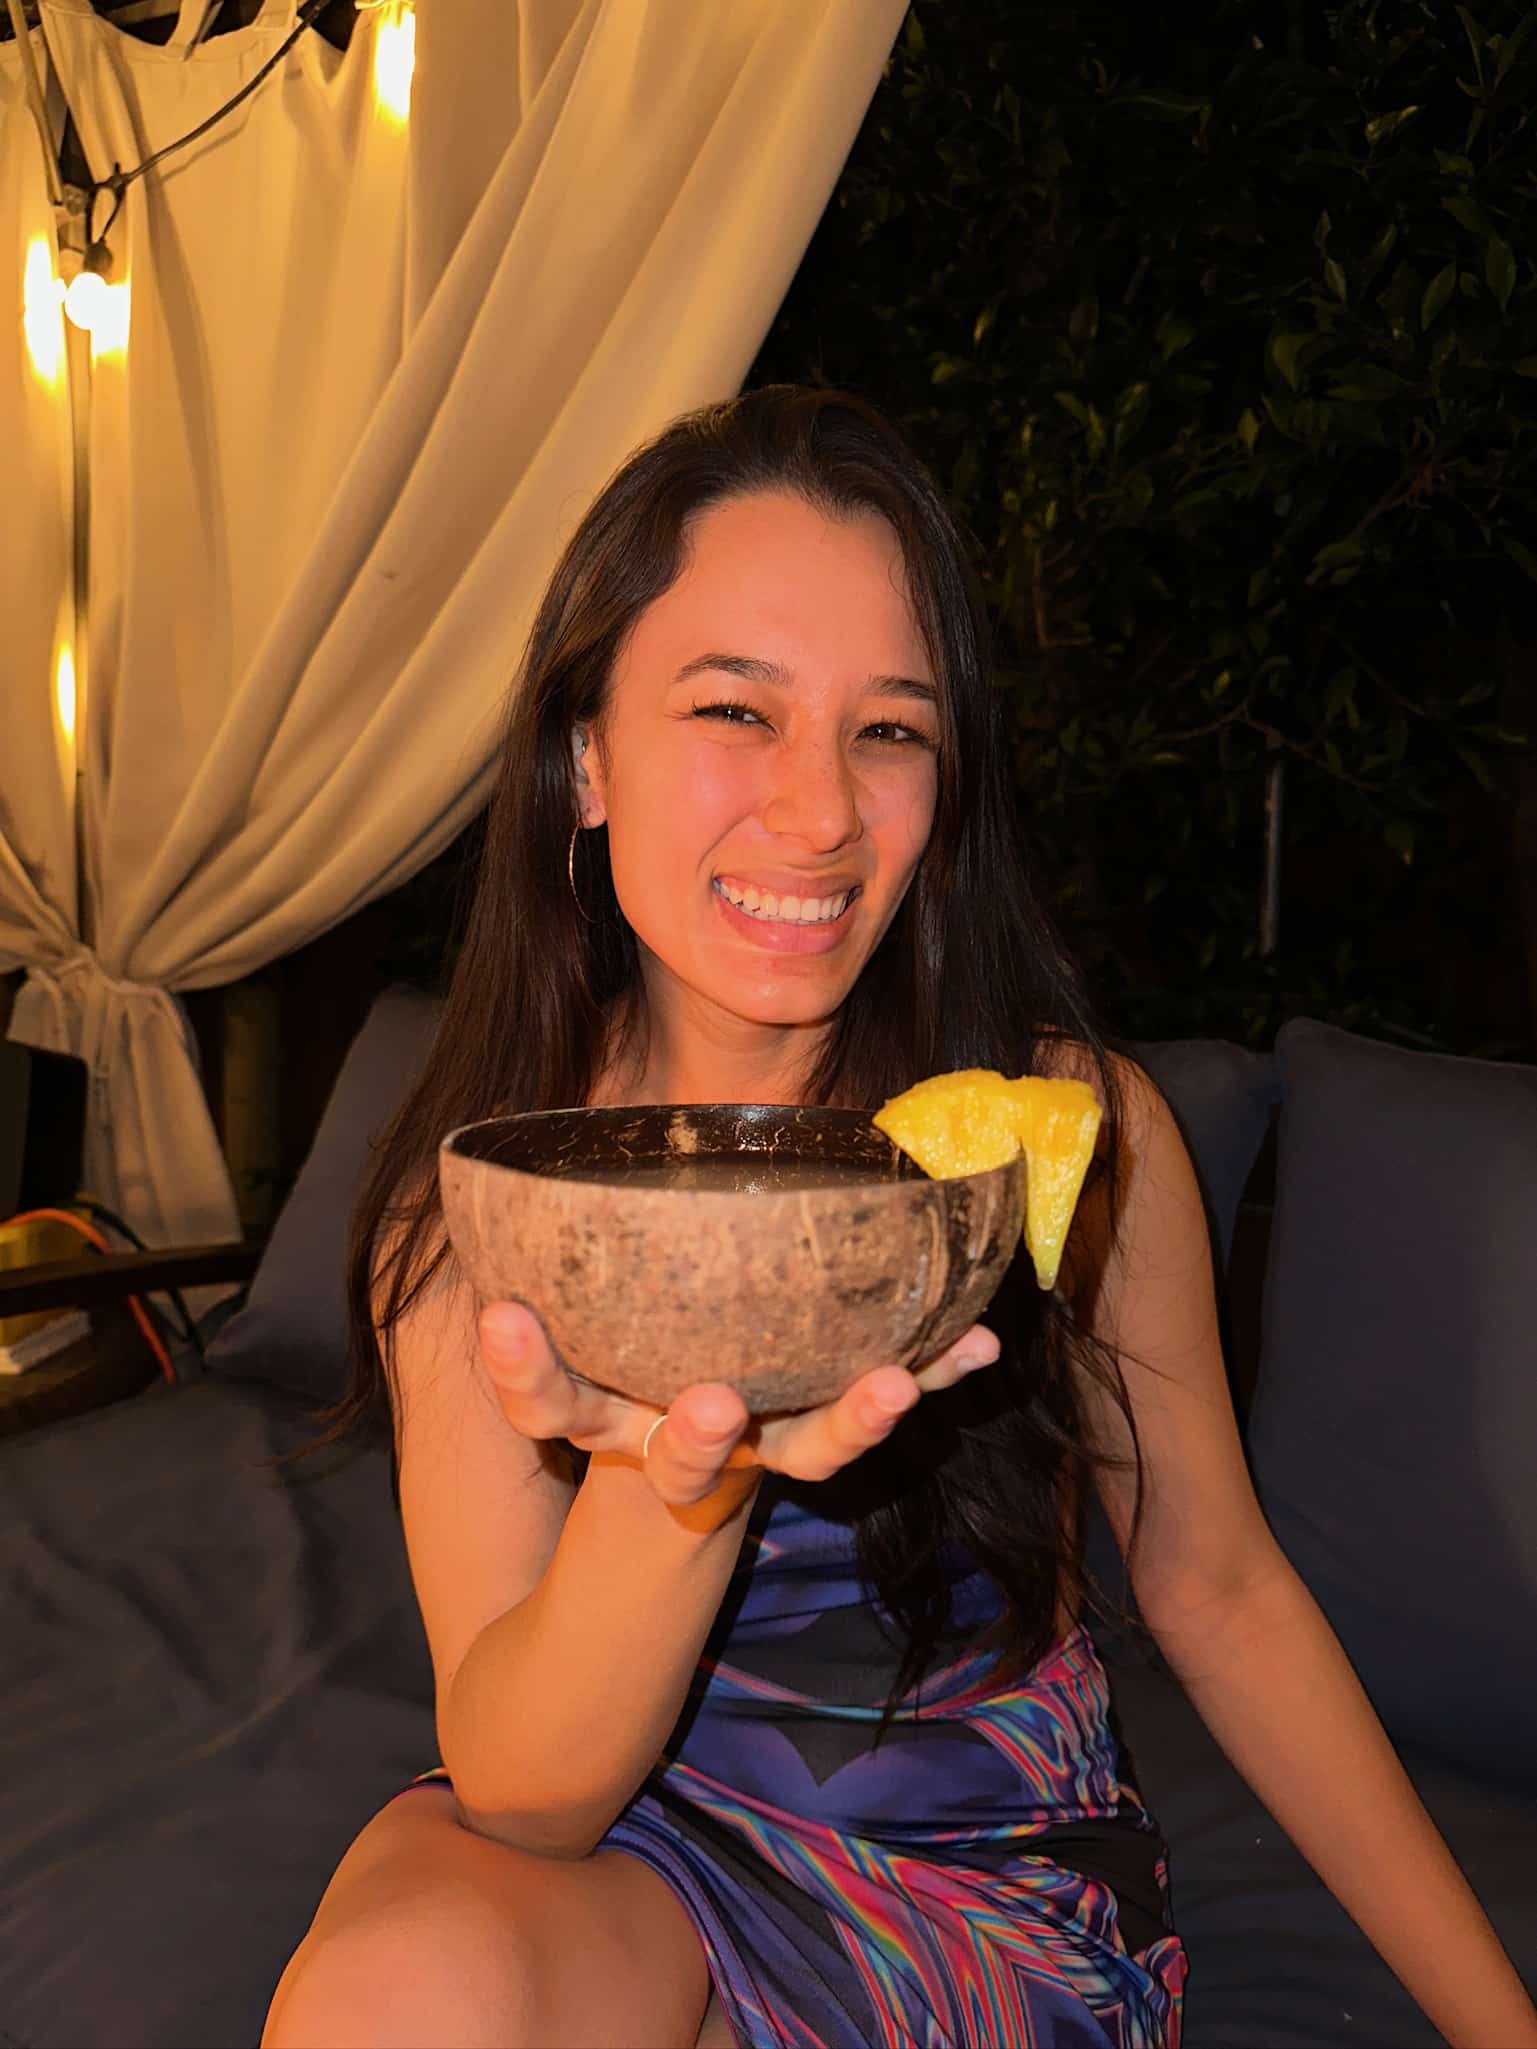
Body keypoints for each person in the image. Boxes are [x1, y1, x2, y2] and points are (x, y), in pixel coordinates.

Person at [261, 386, 1537, 2049]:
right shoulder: (493, 1207)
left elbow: (1218, 1588)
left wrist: (1497, 2024)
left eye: (889, 730)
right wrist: (676, 1478)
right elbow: (523, 1793)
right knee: (400, 1981)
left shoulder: (1044, 1140)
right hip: (630, 1846)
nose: (818, 813)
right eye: (734, 709)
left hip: (972, 1881)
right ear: (584, 759)